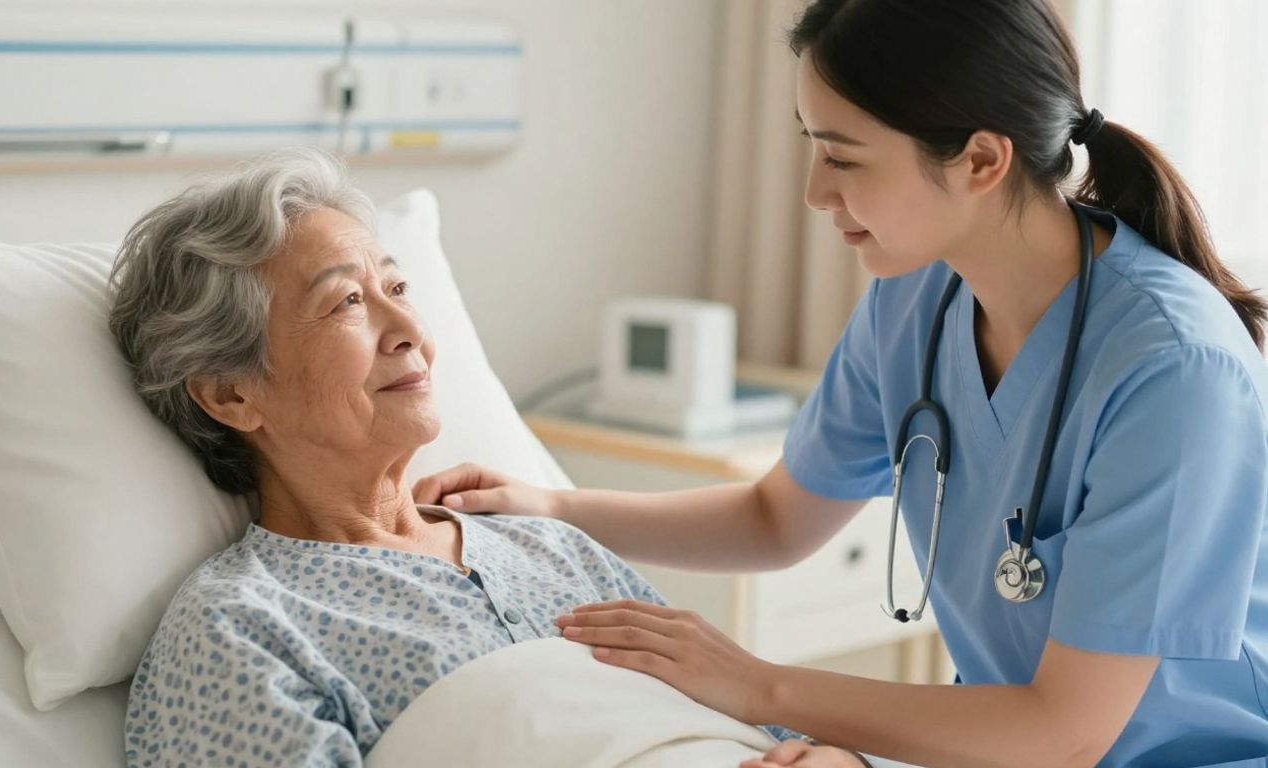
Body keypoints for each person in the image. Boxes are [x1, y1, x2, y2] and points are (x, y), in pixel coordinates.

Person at [413, 1, 1268, 765]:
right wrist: (557, 510)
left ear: (980, 161)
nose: (817, 193)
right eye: (811, 149)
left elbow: (1064, 734)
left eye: (845, 158)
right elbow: (776, 518)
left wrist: (759, 687)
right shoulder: (916, 298)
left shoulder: (1174, 369)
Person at [108, 149, 822, 766]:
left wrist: (835, 757)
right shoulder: (240, 631)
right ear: (231, 395)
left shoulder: (553, 550)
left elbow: (762, 718)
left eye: (397, 288)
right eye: (348, 302)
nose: (409, 330)